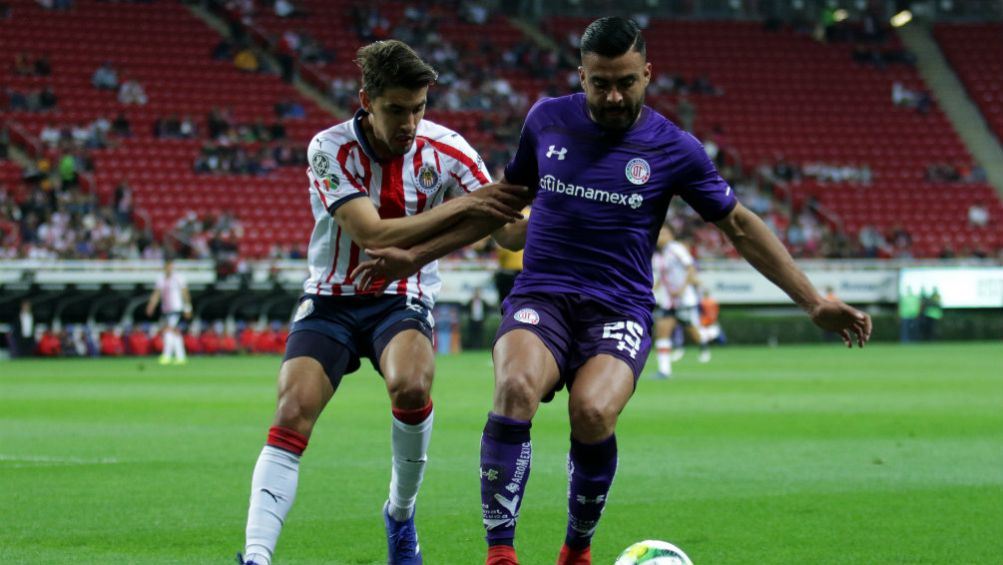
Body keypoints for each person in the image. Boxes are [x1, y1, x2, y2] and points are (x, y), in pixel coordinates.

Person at [350, 17, 871, 565]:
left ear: (647, 74)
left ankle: (576, 550)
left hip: (618, 307)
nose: (613, 94)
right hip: (542, 295)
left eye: (625, 81)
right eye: (600, 82)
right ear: (582, 75)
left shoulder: (675, 148)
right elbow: (500, 208)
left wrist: (814, 301)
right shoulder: (547, 120)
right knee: (514, 389)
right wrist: (414, 255)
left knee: (593, 413)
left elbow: (739, 224)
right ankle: (500, 555)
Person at [235, 40, 528, 565]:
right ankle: (255, 555)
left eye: (419, 108)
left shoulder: (451, 149)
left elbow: (508, 236)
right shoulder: (328, 148)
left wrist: (557, 205)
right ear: (366, 99)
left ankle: (399, 514)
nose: (410, 122)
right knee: (292, 409)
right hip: (331, 298)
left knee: (412, 386)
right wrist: (466, 205)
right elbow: (370, 233)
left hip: (402, 298)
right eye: (397, 109)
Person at [651, 224, 710, 378]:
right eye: (659, 234)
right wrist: (650, 291)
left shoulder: (676, 249)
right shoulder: (657, 255)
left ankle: (703, 345)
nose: (660, 237)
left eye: (664, 233)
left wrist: (682, 289)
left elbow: (690, 268)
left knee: (691, 330)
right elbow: (661, 278)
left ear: (671, 235)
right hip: (669, 300)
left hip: (684, 299)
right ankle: (664, 371)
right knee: (662, 331)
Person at [145, 258, 192, 365]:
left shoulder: (178, 278)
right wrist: (151, 305)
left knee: (168, 331)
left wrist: (188, 308)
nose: (168, 268)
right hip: (166, 309)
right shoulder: (161, 279)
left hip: (176, 308)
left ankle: (167, 355)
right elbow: (156, 293)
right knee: (174, 333)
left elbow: (185, 293)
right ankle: (180, 356)